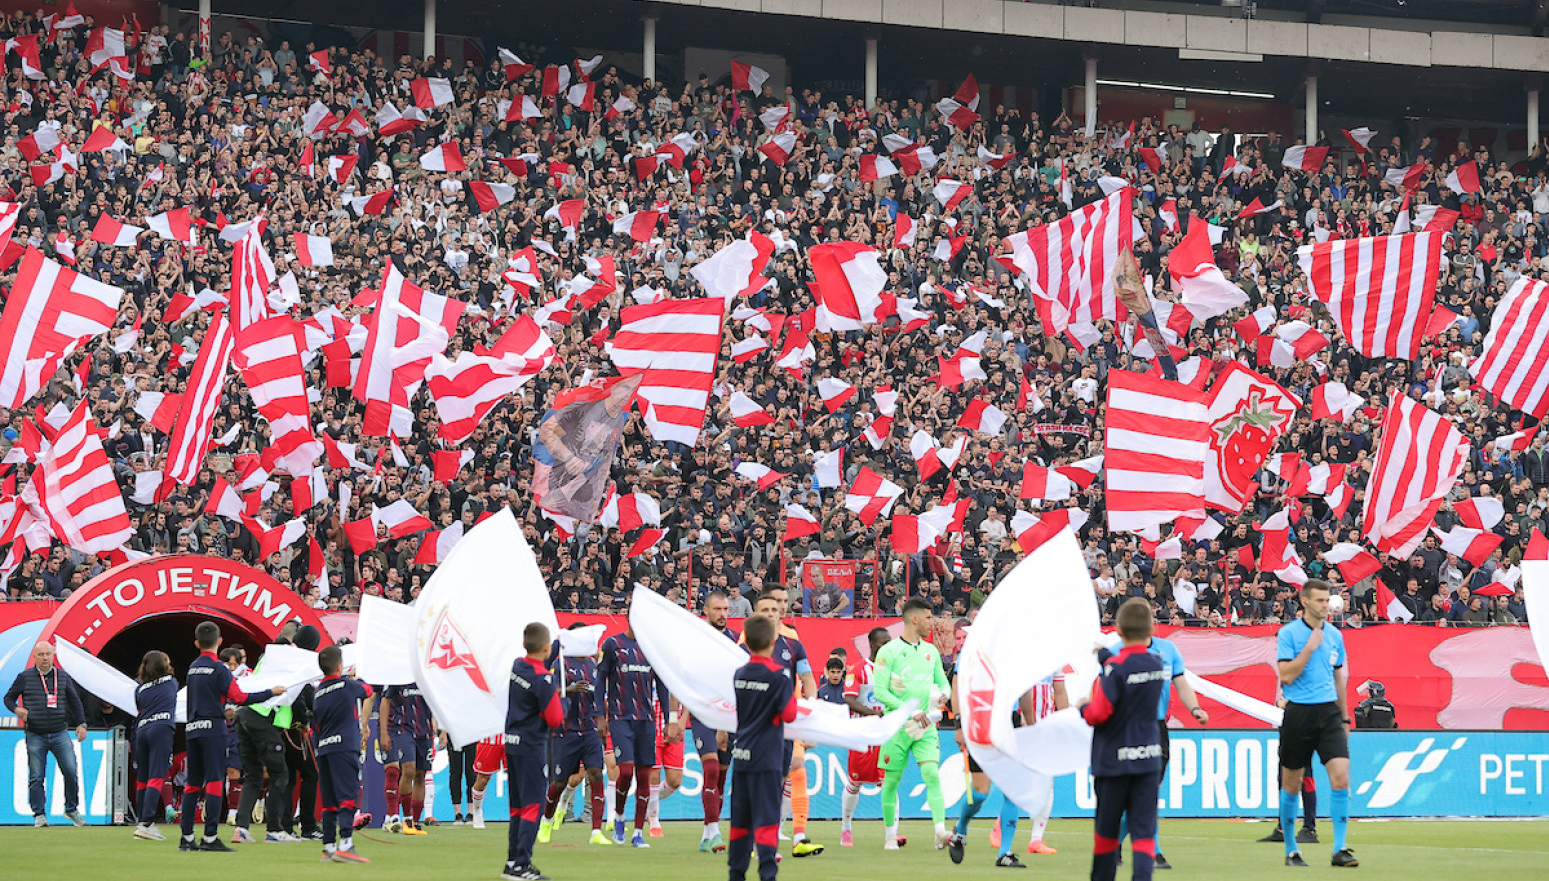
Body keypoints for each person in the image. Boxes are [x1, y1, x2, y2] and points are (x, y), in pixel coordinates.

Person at [1078, 598, 1167, 881]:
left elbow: (1098, 714)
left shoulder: (1116, 669)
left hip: (1115, 761)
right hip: (1148, 759)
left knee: (1107, 832)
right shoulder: (1156, 662)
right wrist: (1105, 656)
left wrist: (1082, 706)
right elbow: (1130, 666)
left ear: (1118, 630)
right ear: (1151, 630)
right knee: (1143, 834)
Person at [183, 621, 286, 852]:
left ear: (197, 643)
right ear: (219, 642)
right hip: (213, 730)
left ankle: (187, 837)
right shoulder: (219, 669)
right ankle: (210, 838)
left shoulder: (192, 668)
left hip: (193, 728)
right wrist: (270, 692)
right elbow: (239, 697)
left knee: (192, 784)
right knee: (215, 781)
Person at [1276, 580, 1358, 868]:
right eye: (1320, 600)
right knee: (1291, 783)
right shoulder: (1288, 634)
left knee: (1341, 777)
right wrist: (1309, 649)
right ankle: (1291, 850)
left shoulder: (1336, 636)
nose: (1326, 605)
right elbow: (1286, 675)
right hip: (1298, 712)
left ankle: (1340, 848)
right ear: (1306, 602)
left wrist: (1345, 717)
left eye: (1327, 600)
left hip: (1329, 714)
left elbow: (1339, 678)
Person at [1116, 626, 1210, 868]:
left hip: (1156, 728)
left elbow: (1181, 683)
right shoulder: (1116, 651)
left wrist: (1195, 708)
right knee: (1143, 794)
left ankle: (1114, 843)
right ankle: (1152, 851)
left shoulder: (1167, 649)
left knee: (1148, 794)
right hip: (1127, 727)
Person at [871, 597, 952, 850]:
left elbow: (944, 682)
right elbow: (880, 692)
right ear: (914, 619)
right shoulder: (889, 651)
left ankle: (940, 831)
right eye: (928, 617)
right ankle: (889, 835)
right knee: (892, 781)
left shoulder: (932, 651)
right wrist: (910, 710)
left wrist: (944, 695)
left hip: (925, 725)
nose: (932, 622)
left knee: (931, 774)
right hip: (897, 725)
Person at [747, 587, 823, 856]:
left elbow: (808, 681)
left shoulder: (793, 645)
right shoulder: (746, 645)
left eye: (774, 609)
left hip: (787, 724)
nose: (771, 613)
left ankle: (792, 838)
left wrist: (811, 711)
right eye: (765, 610)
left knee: (782, 777)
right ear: (755, 615)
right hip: (756, 724)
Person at [728, 614, 797, 881]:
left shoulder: (739, 674)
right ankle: (768, 874)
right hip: (767, 757)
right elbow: (790, 715)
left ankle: (736, 875)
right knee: (767, 819)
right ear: (772, 641)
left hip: (742, 755)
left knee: (740, 821)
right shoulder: (779, 676)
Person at [599, 619, 675, 847]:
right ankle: (620, 816)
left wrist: (669, 721)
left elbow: (661, 685)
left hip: (646, 719)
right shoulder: (613, 644)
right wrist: (600, 716)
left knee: (644, 775)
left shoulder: (652, 648)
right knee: (626, 770)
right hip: (620, 717)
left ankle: (638, 833)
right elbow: (600, 678)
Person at [538, 623, 611, 846]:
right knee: (559, 782)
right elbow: (545, 689)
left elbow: (600, 694)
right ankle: (547, 820)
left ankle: (596, 831)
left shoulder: (593, 665)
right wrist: (568, 690)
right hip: (565, 731)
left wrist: (603, 719)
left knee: (597, 774)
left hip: (589, 730)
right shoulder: (561, 662)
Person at [502, 622, 564, 881]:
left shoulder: (518, 665)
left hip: (512, 743)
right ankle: (521, 864)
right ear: (546, 646)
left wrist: (557, 645)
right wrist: (563, 699)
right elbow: (555, 719)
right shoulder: (544, 680)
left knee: (517, 806)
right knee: (532, 806)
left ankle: (512, 861)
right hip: (531, 746)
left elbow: (538, 661)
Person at [5, 642, 87, 828]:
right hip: (36, 734)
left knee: (71, 771)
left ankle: (71, 809)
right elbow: (8, 698)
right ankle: (39, 815)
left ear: (53, 655)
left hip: (60, 732)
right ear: (34, 657)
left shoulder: (63, 677)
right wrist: (17, 709)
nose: (44, 657)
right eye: (41, 654)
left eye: (48, 654)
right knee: (36, 776)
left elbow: (75, 702)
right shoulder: (24, 677)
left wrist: (81, 724)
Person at [692, 589, 741, 852]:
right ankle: (715, 831)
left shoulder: (736, 641)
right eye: (717, 609)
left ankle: (706, 833)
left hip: (730, 717)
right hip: (703, 714)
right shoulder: (695, 640)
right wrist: (676, 718)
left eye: (725, 609)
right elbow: (682, 678)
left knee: (721, 777)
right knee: (710, 770)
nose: (722, 614)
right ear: (707, 611)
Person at [312, 645, 371, 862]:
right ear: (340, 666)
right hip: (345, 746)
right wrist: (359, 675)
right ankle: (346, 843)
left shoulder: (318, 692)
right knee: (348, 795)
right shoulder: (347, 685)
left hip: (325, 748)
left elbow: (315, 726)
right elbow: (368, 690)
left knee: (328, 801)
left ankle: (328, 847)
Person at [839, 627, 891, 847]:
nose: (886, 648)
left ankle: (892, 834)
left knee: (889, 783)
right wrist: (873, 714)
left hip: (885, 735)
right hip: (862, 733)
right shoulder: (858, 669)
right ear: (871, 645)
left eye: (889, 643)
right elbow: (849, 700)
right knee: (855, 782)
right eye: (882, 644)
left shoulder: (892, 670)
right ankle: (846, 828)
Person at [132, 651, 178, 840]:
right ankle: (146, 824)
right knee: (157, 776)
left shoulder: (139, 688)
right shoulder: (171, 682)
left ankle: (141, 821)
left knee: (142, 778)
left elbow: (138, 706)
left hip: (141, 730)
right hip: (161, 728)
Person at [379, 680, 436, 834]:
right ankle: (407, 818)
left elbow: (435, 702)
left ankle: (416, 822)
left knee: (420, 775)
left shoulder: (426, 675)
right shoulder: (399, 676)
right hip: (403, 729)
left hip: (424, 730)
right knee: (408, 770)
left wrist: (438, 724)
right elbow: (385, 700)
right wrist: (383, 732)